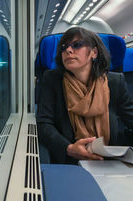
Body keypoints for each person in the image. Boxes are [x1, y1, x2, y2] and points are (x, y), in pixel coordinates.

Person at [36, 27, 133, 164]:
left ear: (94, 52)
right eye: (64, 47)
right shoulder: (53, 80)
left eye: (77, 45)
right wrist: (69, 148)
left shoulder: (115, 82)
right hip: (70, 160)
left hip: (111, 159)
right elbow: (43, 124)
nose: (68, 50)